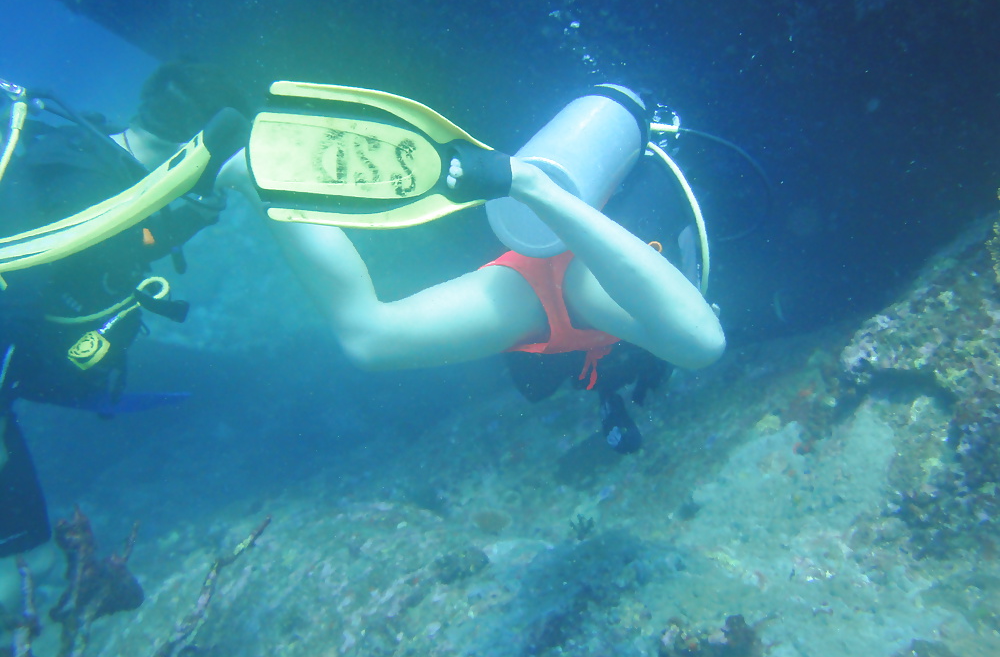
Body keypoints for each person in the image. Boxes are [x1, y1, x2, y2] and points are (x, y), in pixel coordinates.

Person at [0, 61, 252, 559]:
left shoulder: (91, 157)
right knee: (15, 560)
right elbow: (18, 303)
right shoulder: (90, 186)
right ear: (206, 149)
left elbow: (111, 243)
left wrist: (186, 221)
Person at [242, 143, 725, 388]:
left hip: (558, 277)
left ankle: (251, 172)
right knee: (699, 345)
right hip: (581, 270)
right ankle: (529, 184)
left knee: (371, 340)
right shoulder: (597, 289)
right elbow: (700, 341)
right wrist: (528, 187)